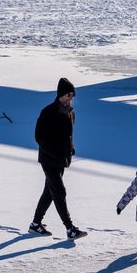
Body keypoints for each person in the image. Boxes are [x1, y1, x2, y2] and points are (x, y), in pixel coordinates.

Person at [29, 77, 87, 240]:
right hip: (49, 159)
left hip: (62, 158)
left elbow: (68, 135)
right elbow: (39, 137)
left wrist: (70, 148)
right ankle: (70, 228)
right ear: (61, 94)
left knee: (49, 192)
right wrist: (53, 152)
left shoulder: (70, 112)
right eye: (68, 95)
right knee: (59, 192)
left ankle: (35, 224)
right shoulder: (48, 112)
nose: (71, 98)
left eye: (72, 95)